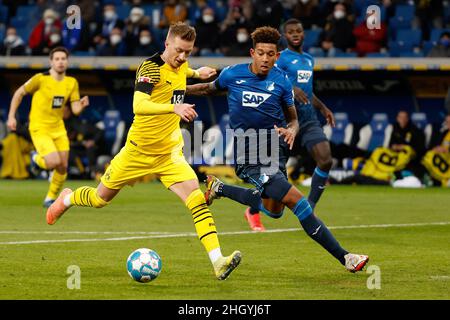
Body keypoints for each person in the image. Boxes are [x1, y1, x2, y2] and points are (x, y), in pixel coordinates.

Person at [46, 23, 241, 281]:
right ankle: (68, 198)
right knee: (99, 199)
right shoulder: (149, 67)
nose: (183, 57)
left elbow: (181, 72)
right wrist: (173, 108)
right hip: (137, 152)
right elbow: (139, 105)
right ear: (167, 43)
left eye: (189, 52)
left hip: (169, 153)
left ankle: (218, 261)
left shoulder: (182, 65)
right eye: (179, 50)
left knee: (195, 198)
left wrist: (197, 72)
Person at [186, 26, 369, 273]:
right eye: (261, 53)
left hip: (276, 152)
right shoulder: (233, 75)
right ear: (253, 52)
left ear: (276, 56)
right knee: (298, 202)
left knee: (275, 211)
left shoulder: (282, 81)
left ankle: (220, 188)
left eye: (270, 54)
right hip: (248, 154)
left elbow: (292, 118)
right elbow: (207, 88)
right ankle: (346, 258)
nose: (265, 58)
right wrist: (178, 91)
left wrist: (293, 129)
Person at [7, 47, 89, 207]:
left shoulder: (71, 82)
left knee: (63, 166)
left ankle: (50, 198)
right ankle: (35, 158)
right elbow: (19, 93)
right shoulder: (40, 78)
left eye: (63, 59)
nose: (60, 62)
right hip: (39, 127)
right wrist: (11, 116)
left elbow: (75, 110)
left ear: (67, 62)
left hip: (58, 128)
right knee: (52, 162)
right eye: (57, 59)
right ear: (51, 62)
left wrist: (82, 105)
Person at [275, 19, 335, 216]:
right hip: (286, 120)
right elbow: (271, 81)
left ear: (303, 34)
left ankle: (310, 206)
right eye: (290, 31)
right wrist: (291, 88)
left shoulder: (309, 59)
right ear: (284, 36)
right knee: (275, 174)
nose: (294, 34)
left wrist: (324, 108)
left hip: (308, 120)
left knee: (325, 160)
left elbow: (308, 92)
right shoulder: (281, 58)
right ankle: (253, 210)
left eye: (298, 31)